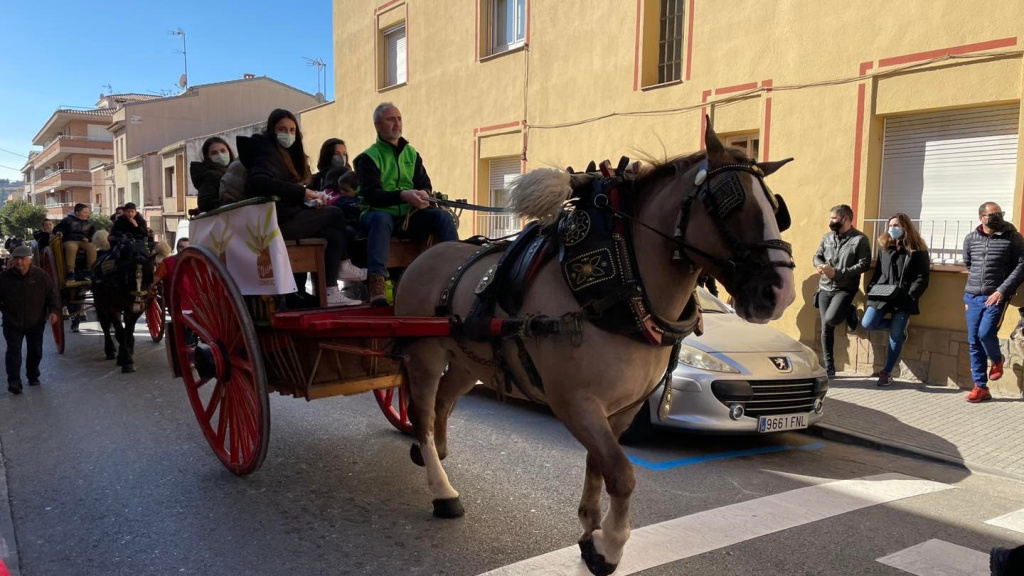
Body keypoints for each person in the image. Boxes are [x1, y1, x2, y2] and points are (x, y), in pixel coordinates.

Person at [239, 108, 365, 307]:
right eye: (282, 129)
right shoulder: (266, 154)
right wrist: (302, 193)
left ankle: (331, 291)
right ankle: (342, 265)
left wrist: (309, 199)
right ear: (272, 130)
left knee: (333, 232)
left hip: (290, 213)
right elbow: (260, 182)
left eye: (292, 130)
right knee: (335, 213)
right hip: (275, 222)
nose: (287, 134)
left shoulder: (287, 156)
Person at [354, 102, 459, 306]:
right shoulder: (368, 158)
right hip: (376, 214)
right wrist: (403, 195)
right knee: (382, 219)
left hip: (408, 216)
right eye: (390, 119)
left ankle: (457, 268)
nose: (397, 123)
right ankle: (377, 282)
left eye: (399, 118)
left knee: (442, 217)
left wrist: (423, 195)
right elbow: (371, 195)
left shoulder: (412, 154)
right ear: (377, 125)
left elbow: (425, 184)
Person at [962, 202, 1024, 403]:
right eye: (992, 214)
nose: (997, 217)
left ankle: (997, 359)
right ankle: (980, 387)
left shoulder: (1013, 238)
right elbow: (969, 263)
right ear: (981, 217)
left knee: (985, 333)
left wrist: (1001, 290)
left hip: (996, 296)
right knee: (973, 341)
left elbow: (1021, 266)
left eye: (1000, 214)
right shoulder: (971, 239)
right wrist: (970, 293)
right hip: (972, 296)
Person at [861, 214, 930, 386]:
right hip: (882, 293)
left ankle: (887, 371)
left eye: (896, 225)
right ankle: (898, 330)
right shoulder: (884, 245)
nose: (892, 228)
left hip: (903, 297)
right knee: (868, 323)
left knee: (895, 335)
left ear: (906, 227)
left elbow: (922, 277)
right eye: (890, 225)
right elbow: (878, 272)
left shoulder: (918, 250)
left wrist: (911, 295)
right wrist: (871, 288)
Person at [812, 204, 871, 377]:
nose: (831, 222)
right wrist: (819, 265)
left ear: (845, 219)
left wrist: (838, 273)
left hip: (844, 288)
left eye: (834, 218)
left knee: (831, 319)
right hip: (824, 287)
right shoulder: (827, 238)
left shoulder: (860, 239)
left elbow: (864, 264)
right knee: (826, 327)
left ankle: (848, 310)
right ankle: (829, 366)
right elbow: (817, 255)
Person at [0, 246, 61, 394]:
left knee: (35, 351)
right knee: (13, 353)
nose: (19, 262)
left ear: (30, 259)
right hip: (12, 322)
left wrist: (53, 311)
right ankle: (14, 382)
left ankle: (33, 375)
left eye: (22, 258)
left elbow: (52, 295)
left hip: (35, 321)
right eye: (16, 259)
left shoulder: (40, 275)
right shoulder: (4, 277)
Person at [54, 203, 98, 281]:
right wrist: (59, 232)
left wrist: (89, 239)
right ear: (77, 213)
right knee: (71, 247)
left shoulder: (90, 222)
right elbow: (57, 229)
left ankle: (90, 271)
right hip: (70, 240)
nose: (87, 214)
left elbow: (93, 234)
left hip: (83, 241)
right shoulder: (67, 220)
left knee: (92, 247)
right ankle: (70, 272)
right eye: (84, 213)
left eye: (88, 212)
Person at [192, 137, 235, 213]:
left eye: (223, 151)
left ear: (229, 151)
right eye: (214, 153)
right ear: (208, 157)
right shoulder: (210, 176)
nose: (220, 155)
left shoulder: (232, 170)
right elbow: (205, 203)